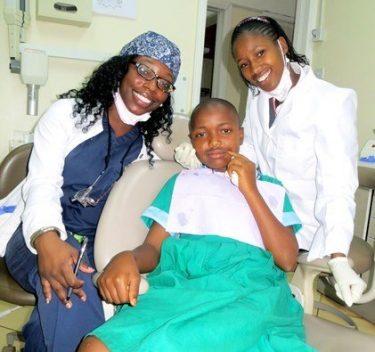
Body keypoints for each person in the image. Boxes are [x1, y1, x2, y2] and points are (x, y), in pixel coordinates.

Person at [78, 98, 314, 351]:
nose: (213, 141)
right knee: (95, 345)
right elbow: (154, 248)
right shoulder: (182, 184)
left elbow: (288, 260)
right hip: (182, 287)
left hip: (247, 293)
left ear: (240, 134)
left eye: (224, 131)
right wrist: (130, 258)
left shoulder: (271, 190)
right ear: (192, 140)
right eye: (202, 134)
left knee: (173, 343)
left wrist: (250, 190)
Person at [1, 31, 181, 352]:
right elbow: (42, 185)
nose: (152, 87)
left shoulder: (145, 149)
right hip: (32, 234)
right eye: (144, 71)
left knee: (68, 296)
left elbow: (196, 141)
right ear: (122, 68)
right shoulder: (68, 115)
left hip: (94, 246)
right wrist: (48, 241)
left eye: (164, 83)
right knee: (74, 287)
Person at [175, 16, 366, 307]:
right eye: (243, 64)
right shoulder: (257, 99)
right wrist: (204, 157)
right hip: (267, 211)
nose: (254, 70)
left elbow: (336, 186)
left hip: (305, 226)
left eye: (260, 53)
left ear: (281, 45)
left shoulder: (331, 102)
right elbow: (249, 149)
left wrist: (339, 256)